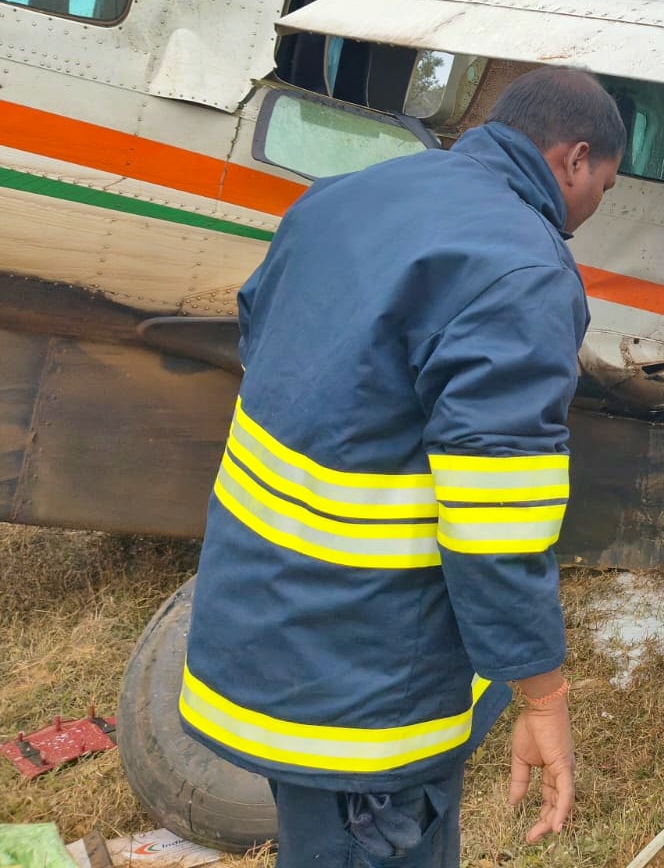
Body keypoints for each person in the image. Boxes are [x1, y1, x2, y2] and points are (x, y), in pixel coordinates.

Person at [181, 68, 626, 866]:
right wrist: (544, 694)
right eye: (605, 185)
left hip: (256, 614)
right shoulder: (522, 270)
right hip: (364, 673)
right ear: (574, 159)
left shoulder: (346, 196)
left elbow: (261, 332)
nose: (594, 210)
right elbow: (497, 519)